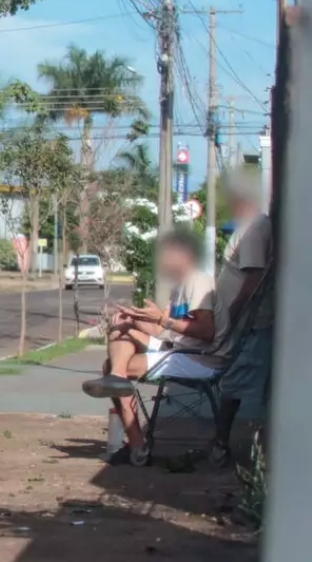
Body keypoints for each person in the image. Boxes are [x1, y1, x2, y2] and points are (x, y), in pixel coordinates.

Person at [80, 228, 225, 465]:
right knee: (121, 329)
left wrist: (162, 319)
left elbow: (207, 331)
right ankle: (117, 378)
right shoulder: (181, 285)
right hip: (177, 347)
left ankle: (137, 444)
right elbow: (164, 331)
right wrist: (134, 318)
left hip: (199, 358)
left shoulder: (198, 281)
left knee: (112, 368)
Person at [211, 175, 273, 462]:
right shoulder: (249, 227)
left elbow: (253, 279)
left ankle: (221, 444)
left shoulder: (254, 228)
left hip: (250, 323)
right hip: (244, 323)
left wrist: (232, 316)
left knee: (234, 383)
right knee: (238, 383)